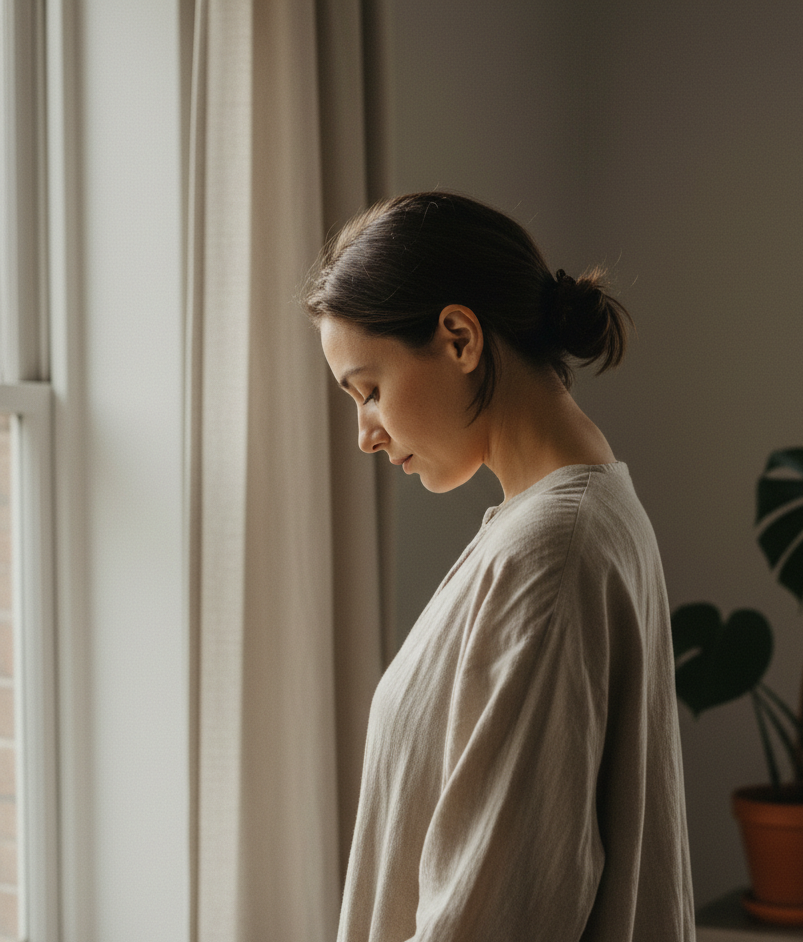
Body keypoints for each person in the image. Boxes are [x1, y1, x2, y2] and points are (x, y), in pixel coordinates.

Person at [304, 192, 695, 942]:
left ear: (458, 337)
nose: (367, 435)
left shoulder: (552, 551)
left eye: (371, 390)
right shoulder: (565, 524)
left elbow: (500, 911)